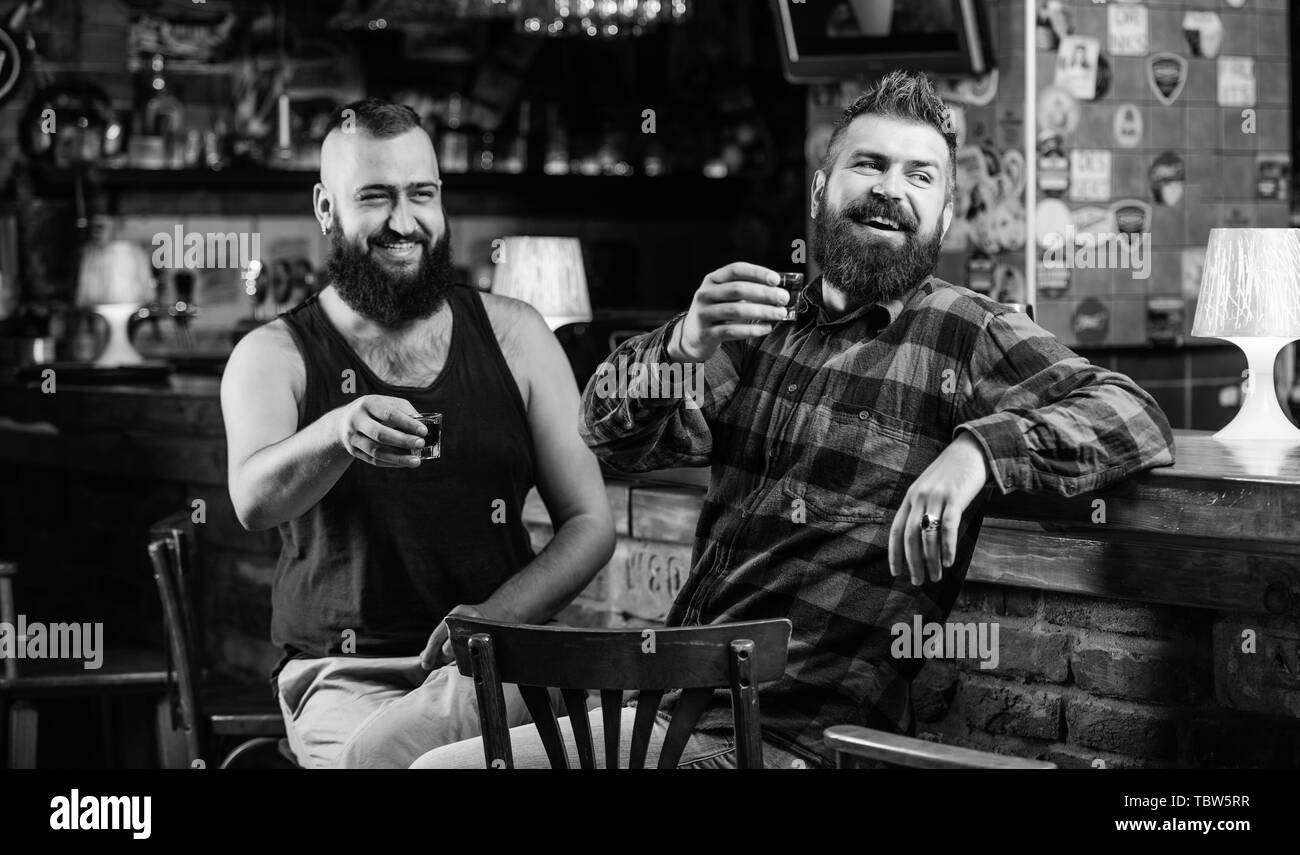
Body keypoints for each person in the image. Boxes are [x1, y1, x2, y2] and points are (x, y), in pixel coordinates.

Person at [412, 70, 1174, 770]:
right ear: (821, 189)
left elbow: (1132, 414)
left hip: (783, 742)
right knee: (404, 756)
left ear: (943, 215)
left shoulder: (966, 331)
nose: (891, 190)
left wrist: (978, 450)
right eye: (868, 165)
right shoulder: (760, 319)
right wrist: (683, 340)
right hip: (670, 699)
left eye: (920, 176)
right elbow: (609, 430)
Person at [220, 98, 615, 768]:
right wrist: (336, 432)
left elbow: (589, 523)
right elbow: (254, 500)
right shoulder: (273, 353)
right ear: (326, 209)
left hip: (500, 657)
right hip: (343, 676)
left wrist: (492, 617)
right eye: (375, 196)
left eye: (421, 194)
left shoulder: (518, 334)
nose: (404, 221)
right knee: (382, 758)